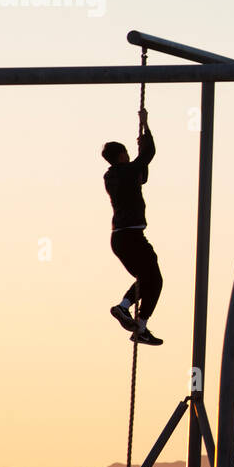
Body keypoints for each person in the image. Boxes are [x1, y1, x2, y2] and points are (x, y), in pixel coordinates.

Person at [102, 108, 163, 345]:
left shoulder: (112, 176)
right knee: (153, 279)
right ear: (121, 156)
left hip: (120, 238)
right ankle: (129, 314)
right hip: (131, 237)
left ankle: (130, 314)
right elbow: (149, 154)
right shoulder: (126, 171)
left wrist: (139, 155)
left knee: (147, 278)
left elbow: (142, 175)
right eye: (126, 152)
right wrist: (146, 126)